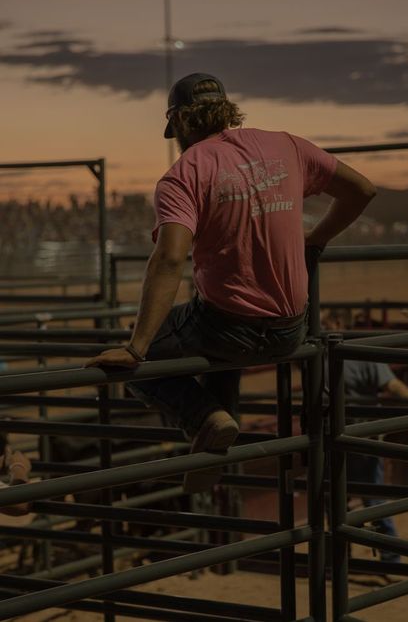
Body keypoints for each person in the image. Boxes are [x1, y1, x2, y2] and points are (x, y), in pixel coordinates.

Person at [85, 72, 376, 493]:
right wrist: (317, 238)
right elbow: (362, 190)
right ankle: (216, 422)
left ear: (182, 121)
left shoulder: (184, 174)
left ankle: (205, 418)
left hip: (227, 328)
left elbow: (169, 257)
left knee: (141, 367)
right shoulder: (286, 145)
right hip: (290, 328)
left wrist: (136, 347)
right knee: (219, 336)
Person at [323, 309, 408, 563]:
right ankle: (355, 558)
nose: (320, 322)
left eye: (325, 318)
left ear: (339, 322)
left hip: (352, 439)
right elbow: (392, 384)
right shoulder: (327, 351)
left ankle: (381, 558)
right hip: (350, 438)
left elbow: (392, 384)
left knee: (361, 500)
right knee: (348, 501)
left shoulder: (327, 353)